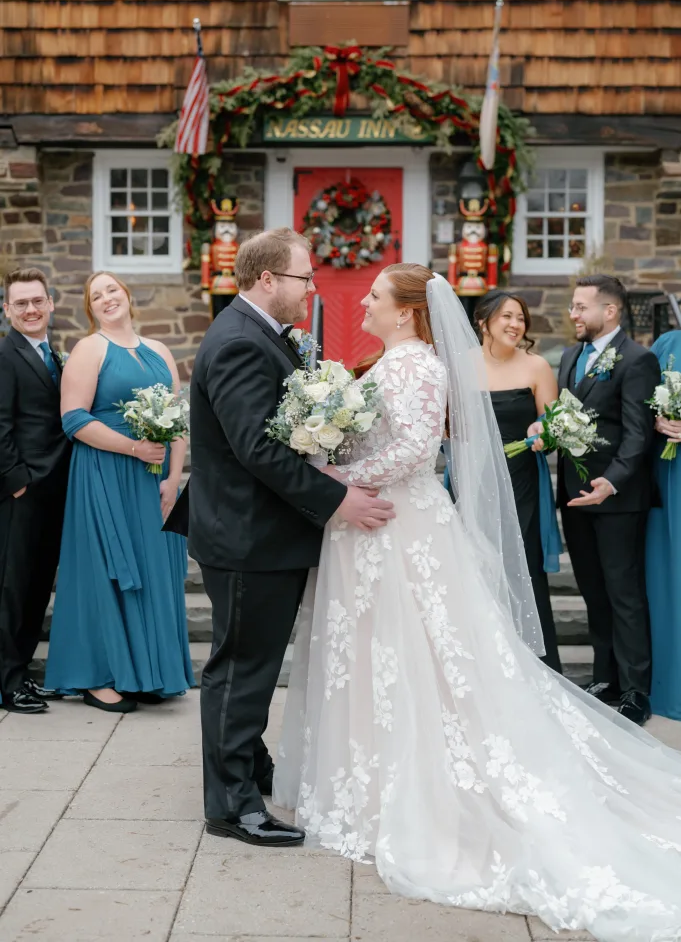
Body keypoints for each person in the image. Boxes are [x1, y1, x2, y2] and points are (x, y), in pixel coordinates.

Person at [275, 264, 681, 942]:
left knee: (426, 656)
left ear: (405, 311)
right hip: (375, 526)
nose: (365, 302)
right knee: (384, 656)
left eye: (374, 295)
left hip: (395, 524)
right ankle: (369, 776)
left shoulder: (418, 368)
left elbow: (410, 451)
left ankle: (415, 787)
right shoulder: (393, 361)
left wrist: (333, 476)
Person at [189, 227, 396, 848]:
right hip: (249, 535)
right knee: (242, 667)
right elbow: (255, 447)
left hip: (258, 532)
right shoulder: (237, 343)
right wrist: (338, 500)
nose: (313, 288)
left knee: (251, 661)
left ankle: (248, 770)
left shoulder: (258, 335)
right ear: (267, 280)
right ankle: (231, 805)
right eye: (305, 278)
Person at [44, 272, 194, 713]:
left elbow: (177, 419)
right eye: (96, 296)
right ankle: (99, 676)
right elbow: (72, 419)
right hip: (105, 473)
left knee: (153, 570)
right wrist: (132, 446)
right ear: (91, 309)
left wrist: (174, 478)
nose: (107, 298)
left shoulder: (160, 350)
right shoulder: (91, 349)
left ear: (126, 295)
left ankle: (147, 674)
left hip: (155, 480)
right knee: (104, 570)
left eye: (112, 289)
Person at [540, 275, 659, 726]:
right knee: (592, 590)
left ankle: (635, 689)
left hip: (617, 498)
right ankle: (604, 677)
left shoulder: (637, 359)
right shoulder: (571, 356)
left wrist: (612, 480)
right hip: (575, 494)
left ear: (609, 311)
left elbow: (637, 434)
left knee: (623, 593)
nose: (572, 314)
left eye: (579, 307)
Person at [475, 289, 562, 673]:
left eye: (521, 318)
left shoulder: (537, 367)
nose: (515, 324)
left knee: (523, 570)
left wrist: (545, 431)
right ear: (483, 322)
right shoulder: (459, 365)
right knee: (476, 570)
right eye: (507, 317)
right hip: (473, 482)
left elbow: (554, 426)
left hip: (522, 482)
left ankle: (537, 668)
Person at [0, 268, 71, 713]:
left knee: (37, 586)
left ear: (50, 303)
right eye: (20, 303)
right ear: (7, 310)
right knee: (12, 587)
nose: (30, 309)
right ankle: (7, 683)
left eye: (37, 301)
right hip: (21, 494)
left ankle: (21, 673)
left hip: (54, 491)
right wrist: (17, 481)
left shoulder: (52, 355)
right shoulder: (5, 356)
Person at [645, 329, 681, 720]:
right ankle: (666, 685)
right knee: (665, 576)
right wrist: (658, 421)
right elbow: (644, 396)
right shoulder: (668, 344)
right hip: (667, 471)